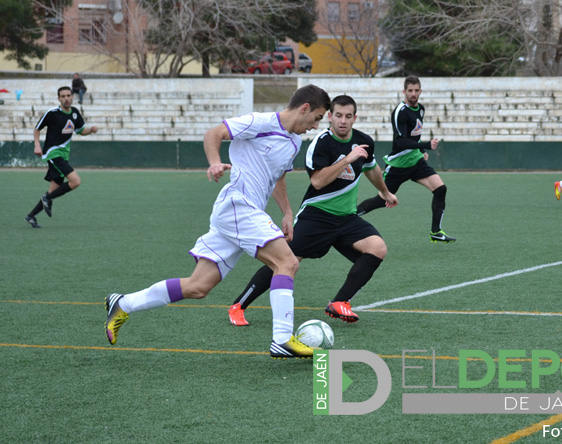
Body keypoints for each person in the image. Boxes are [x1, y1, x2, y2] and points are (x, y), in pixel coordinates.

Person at [104, 85, 331, 359]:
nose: (316, 125)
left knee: (198, 286)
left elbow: (278, 178)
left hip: (240, 214)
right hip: (238, 205)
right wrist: (214, 162)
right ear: (304, 108)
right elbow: (214, 133)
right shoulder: (260, 122)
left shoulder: (294, 142)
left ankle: (123, 303)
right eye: (317, 118)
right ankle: (282, 338)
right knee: (288, 262)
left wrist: (286, 212)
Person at [228, 95, 398, 326]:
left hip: (346, 218)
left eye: (348, 116)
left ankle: (340, 302)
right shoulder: (321, 142)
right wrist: (348, 159)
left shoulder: (364, 141)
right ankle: (239, 305)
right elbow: (318, 181)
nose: (343, 121)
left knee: (377, 248)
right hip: (316, 215)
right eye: (338, 115)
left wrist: (385, 192)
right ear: (330, 116)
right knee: (285, 261)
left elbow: (372, 169)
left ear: (355, 118)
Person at [356, 76, 455, 243]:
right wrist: (426, 145)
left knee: (440, 189)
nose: (413, 93)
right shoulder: (400, 112)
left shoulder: (421, 109)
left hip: (415, 162)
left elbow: (413, 136)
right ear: (404, 92)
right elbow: (401, 141)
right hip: (399, 164)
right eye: (410, 90)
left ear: (420, 91)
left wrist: (421, 150)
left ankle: (436, 232)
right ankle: (349, 215)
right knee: (381, 200)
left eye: (416, 90)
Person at [25, 86, 98, 229]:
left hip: (64, 155)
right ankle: (47, 199)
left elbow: (81, 131)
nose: (66, 98)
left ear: (72, 97)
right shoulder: (52, 113)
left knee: (53, 189)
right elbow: (37, 128)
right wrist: (37, 145)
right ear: (59, 98)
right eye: (63, 96)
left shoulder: (75, 113)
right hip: (53, 153)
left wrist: (91, 130)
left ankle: (31, 216)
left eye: (68, 95)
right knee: (75, 181)